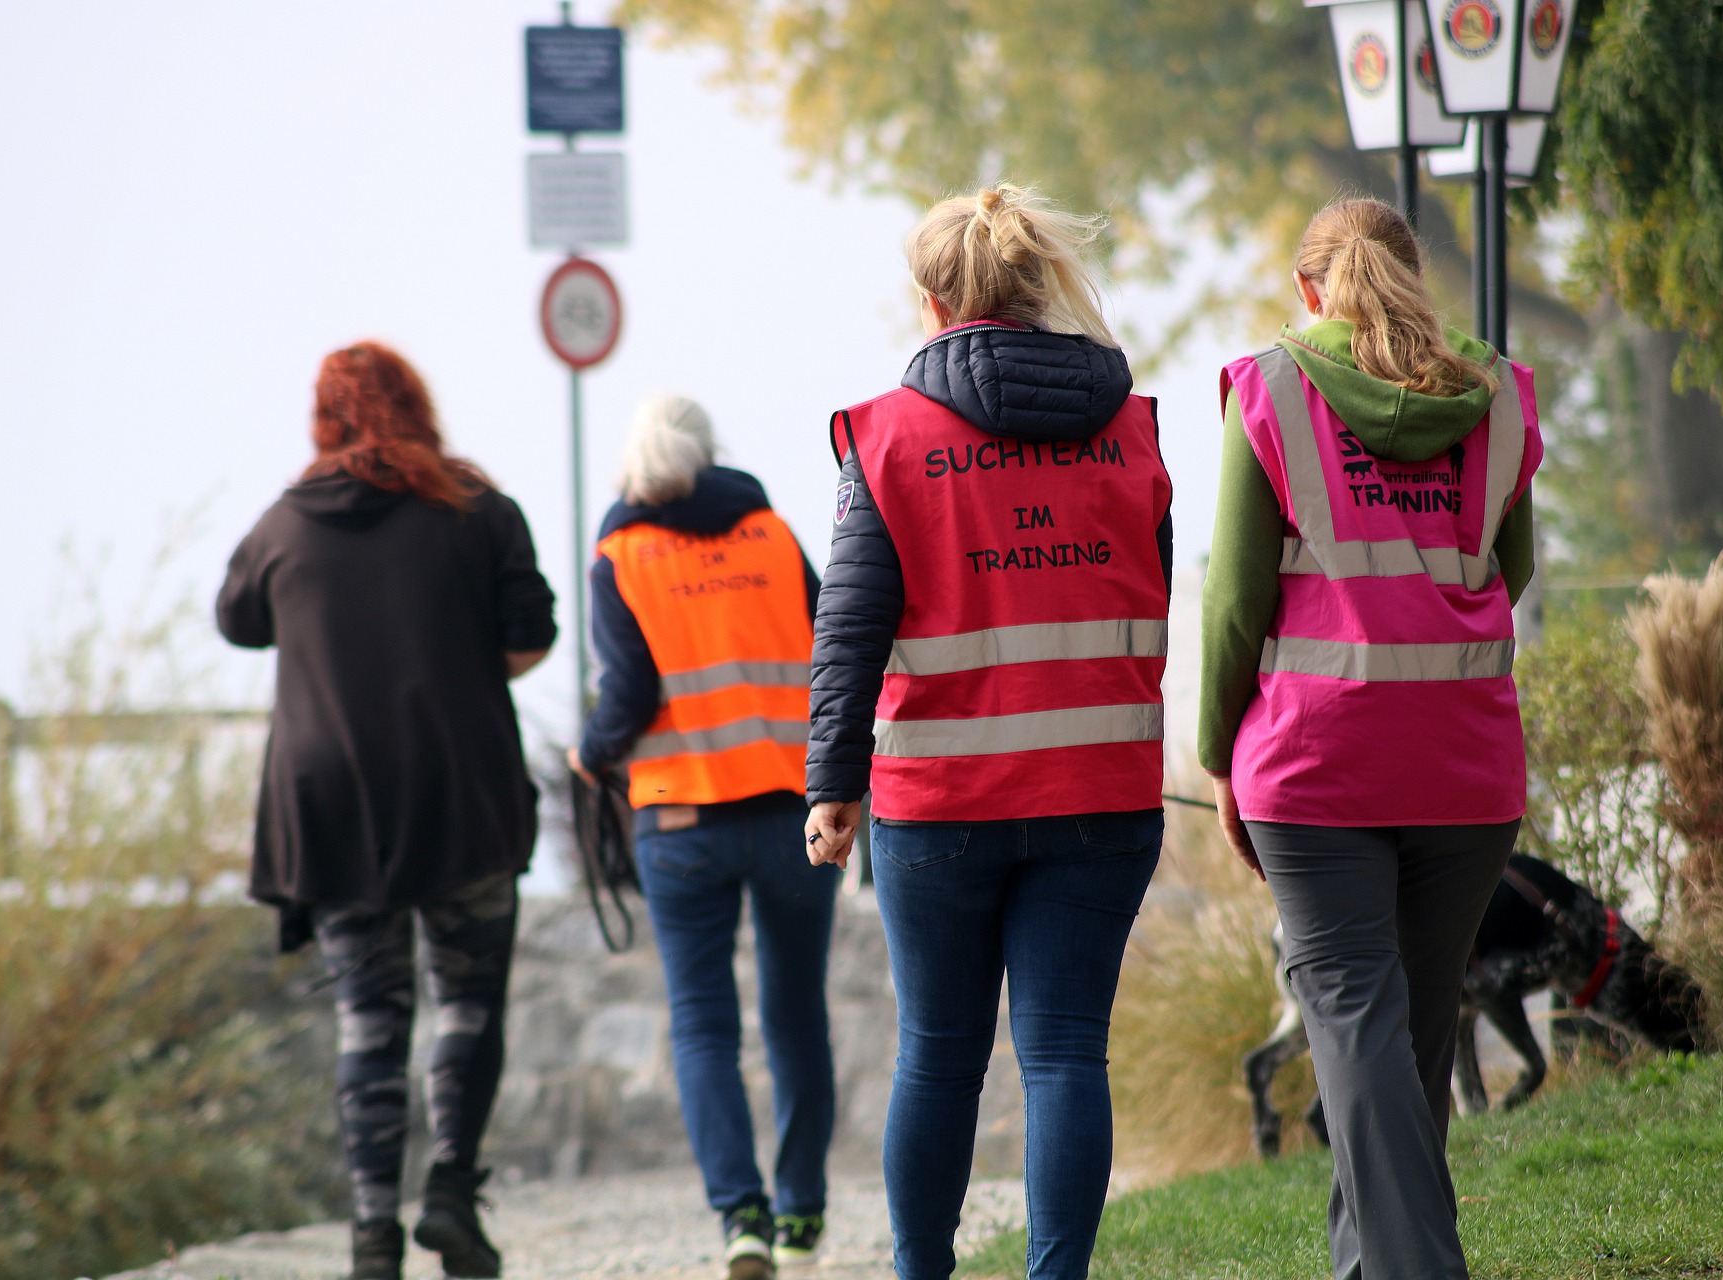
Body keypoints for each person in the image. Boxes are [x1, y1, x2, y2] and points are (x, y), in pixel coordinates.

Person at [805, 183, 1174, 1280]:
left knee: (939, 1057)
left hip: (944, 805)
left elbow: (851, 623)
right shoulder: (1133, 430)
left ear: (930, 300)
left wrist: (832, 782)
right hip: (1103, 792)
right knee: (1064, 1054)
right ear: (1032, 287)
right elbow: (1145, 585)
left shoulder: (888, 438)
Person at [1201, 197, 1543, 1280]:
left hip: (1315, 760)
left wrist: (1217, 752)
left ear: (1311, 290)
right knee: (1417, 1024)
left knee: (1353, 1017)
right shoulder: (1493, 391)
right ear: (1414, 275)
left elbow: (1232, 600)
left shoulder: (1272, 389)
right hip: (1465, 758)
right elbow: (1511, 566)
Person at [217, 342, 556, 1280]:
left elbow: (239, 620)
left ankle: (372, 1235)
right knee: (466, 1001)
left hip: (330, 806)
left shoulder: (285, 526)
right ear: (418, 406)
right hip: (462, 792)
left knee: (369, 1019)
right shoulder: (479, 510)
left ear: (324, 421)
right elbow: (530, 640)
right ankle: (450, 1192)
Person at [566, 394, 835, 1280]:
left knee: (703, 1026)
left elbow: (630, 694)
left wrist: (590, 751)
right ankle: (801, 1211)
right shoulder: (771, 535)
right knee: (796, 1014)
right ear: (710, 454)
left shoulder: (621, 555)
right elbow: (834, 646)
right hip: (792, 810)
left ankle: (742, 1220)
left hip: (679, 818)